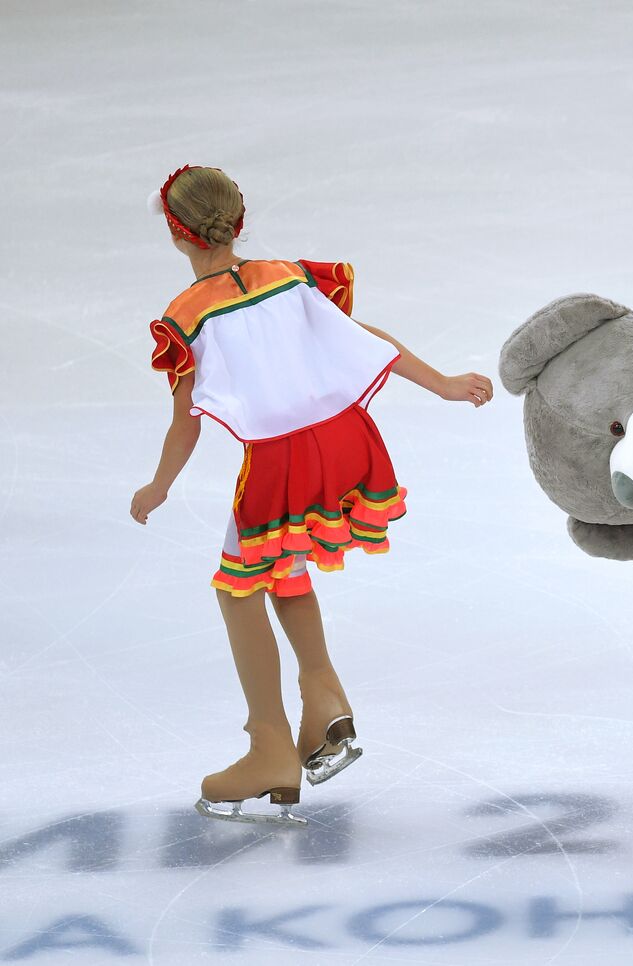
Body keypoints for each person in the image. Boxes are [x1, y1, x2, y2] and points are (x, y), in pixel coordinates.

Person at [131, 165, 493, 826]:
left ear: (178, 234)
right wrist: (440, 383)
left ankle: (269, 742)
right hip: (348, 437)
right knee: (284, 565)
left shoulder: (186, 315)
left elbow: (186, 420)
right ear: (237, 220)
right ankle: (322, 695)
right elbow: (366, 339)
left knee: (237, 584)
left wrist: (158, 486)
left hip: (282, 457)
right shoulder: (288, 274)